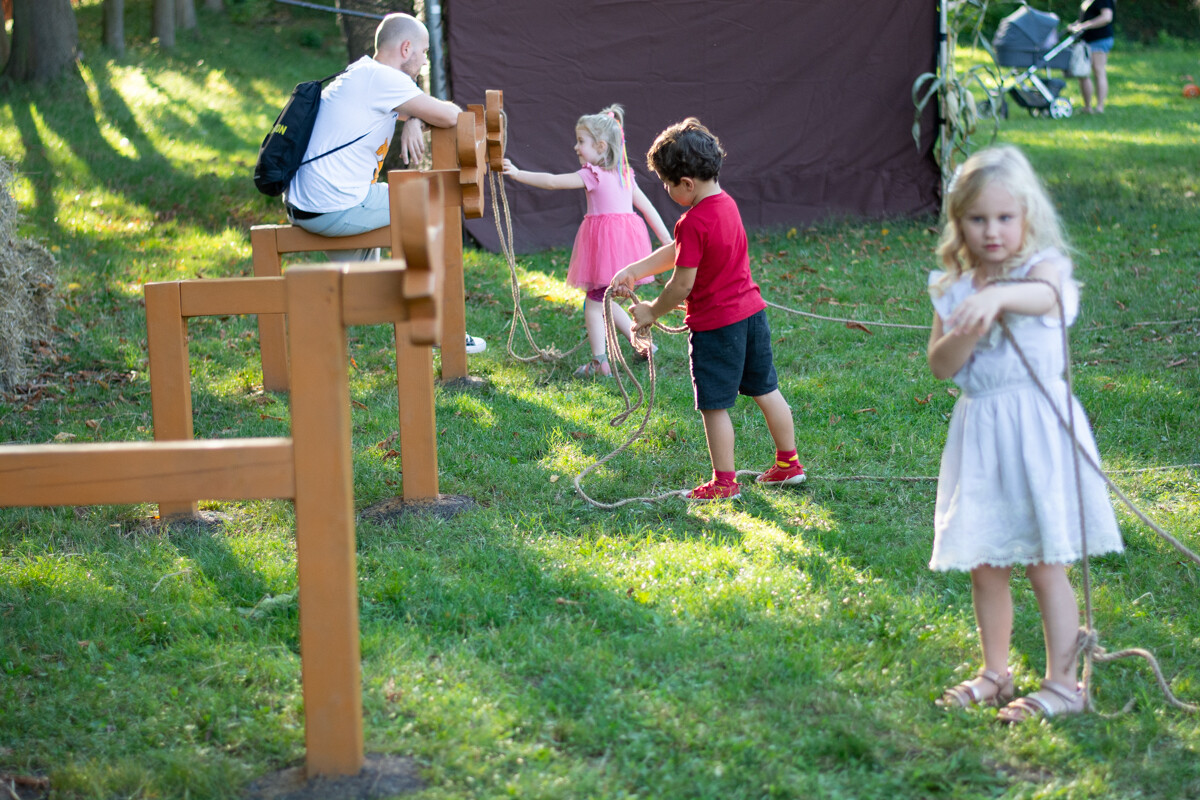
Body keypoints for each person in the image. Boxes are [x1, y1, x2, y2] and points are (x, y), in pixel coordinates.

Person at [926, 146, 1123, 722]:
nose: (992, 231)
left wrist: (1000, 296)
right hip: (982, 428)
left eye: (1005, 218)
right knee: (987, 558)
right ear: (959, 222)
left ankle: (1065, 683)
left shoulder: (1043, 271)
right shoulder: (951, 285)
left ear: (1027, 219)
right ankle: (995, 671)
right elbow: (941, 365)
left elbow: (1049, 300)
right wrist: (971, 317)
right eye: (978, 219)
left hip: (1037, 426)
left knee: (1043, 560)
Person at [610, 118, 806, 501]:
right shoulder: (725, 204)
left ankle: (724, 482)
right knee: (768, 391)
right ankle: (789, 464)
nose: (666, 190)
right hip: (752, 316)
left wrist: (651, 310)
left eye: (667, 184)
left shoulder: (694, 221)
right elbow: (680, 250)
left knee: (714, 406)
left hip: (717, 327)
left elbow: (682, 282)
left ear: (686, 183)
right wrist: (636, 269)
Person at [284, 12, 486, 353]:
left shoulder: (363, 72)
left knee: (367, 288)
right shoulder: (384, 80)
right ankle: (435, 325)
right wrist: (421, 113)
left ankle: (381, 304)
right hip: (332, 205)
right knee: (426, 202)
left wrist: (413, 117)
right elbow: (451, 115)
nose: (424, 62)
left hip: (307, 204)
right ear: (406, 48)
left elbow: (413, 107)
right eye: (422, 52)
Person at [502, 104, 672, 377]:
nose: (576, 147)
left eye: (581, 141)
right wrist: (666, 240)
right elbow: (648, 208)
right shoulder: (624, 174)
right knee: (607, 298)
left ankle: (600, 362)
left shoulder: (591, 175)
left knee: (593, 303)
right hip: (626, 246)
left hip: (606, 247)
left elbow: (552, 182)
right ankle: (642, 345)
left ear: (601, 146)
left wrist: (518, 173)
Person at [1067, 0, 1115, 114]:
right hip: (1086, 40)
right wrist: (1076, 25)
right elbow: (1086, 18)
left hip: (1099, 39)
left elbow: (1107, 17)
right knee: (1083, 73)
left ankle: (1099, 107)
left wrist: (1084, 26)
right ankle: (1087, 107)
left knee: (1098, 70)